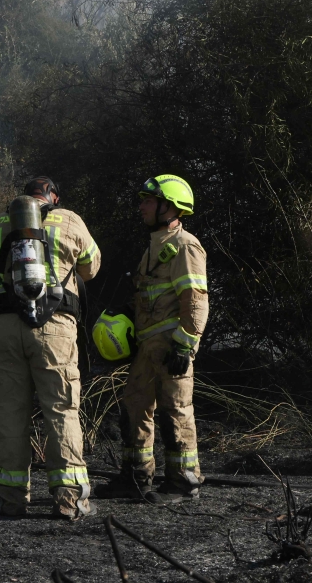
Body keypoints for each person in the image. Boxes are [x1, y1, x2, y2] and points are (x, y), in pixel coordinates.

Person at [0, 177, 101, 520]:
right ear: (53, 198)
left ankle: (10, 498)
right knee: (61, 409)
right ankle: (69, 498)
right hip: (55, 327)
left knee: (8, 411)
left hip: (5, 326)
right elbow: (91, 267)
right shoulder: (71, 220)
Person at [95, 175, 208, 505]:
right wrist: (126, 311)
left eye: (148, 200)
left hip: (172, 343)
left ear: (169, 207)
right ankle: (135, 477)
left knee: (176, 410)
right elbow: (151, 294)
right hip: (148, 345)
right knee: (134, 408)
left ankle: (183, 483)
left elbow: (196, 299)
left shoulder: (185, 245)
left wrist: (185, 344)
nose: (141, 206)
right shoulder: (154, 247)